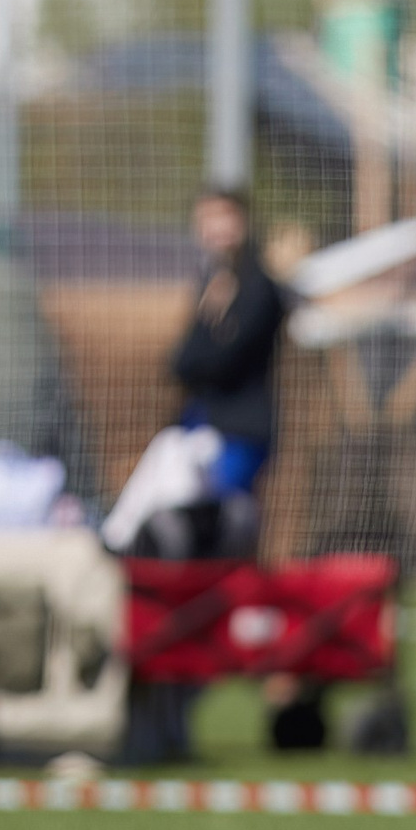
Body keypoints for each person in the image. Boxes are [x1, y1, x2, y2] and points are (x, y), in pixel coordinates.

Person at [163, 183, 292, 560]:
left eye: (224, 217)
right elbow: (182, 362)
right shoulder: (212, 286)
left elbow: (222, 360)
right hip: (200, 425)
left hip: (240, 431)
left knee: (229, 525)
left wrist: (208, 343)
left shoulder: (259, 289)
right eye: (207, 219)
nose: (217, 228)